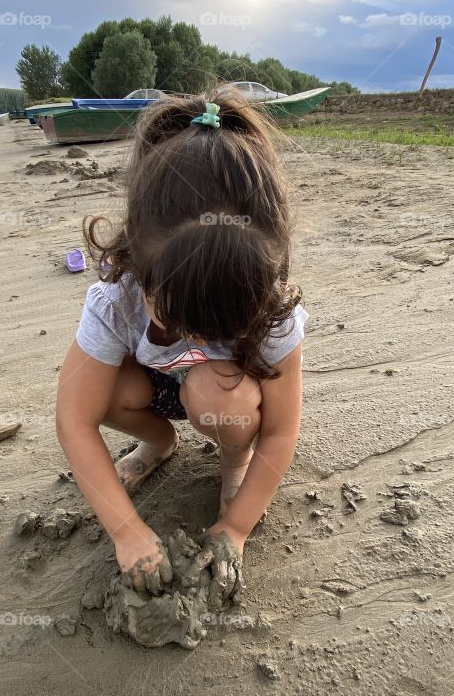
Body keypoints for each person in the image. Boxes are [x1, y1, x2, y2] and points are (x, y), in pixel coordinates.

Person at [55, 91, 307, 596]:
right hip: (152, 391)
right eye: (178, 318)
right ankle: (159, 442)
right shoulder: (115, 301)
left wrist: (235, 527)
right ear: (137, 263)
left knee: (221, 391)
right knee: (105, 388)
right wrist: (126, 531)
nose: (199, 336)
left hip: (222, 396)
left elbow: (281, 431)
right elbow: (73, 420)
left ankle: (232, 462)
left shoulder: (274, 309)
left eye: (222, 324)